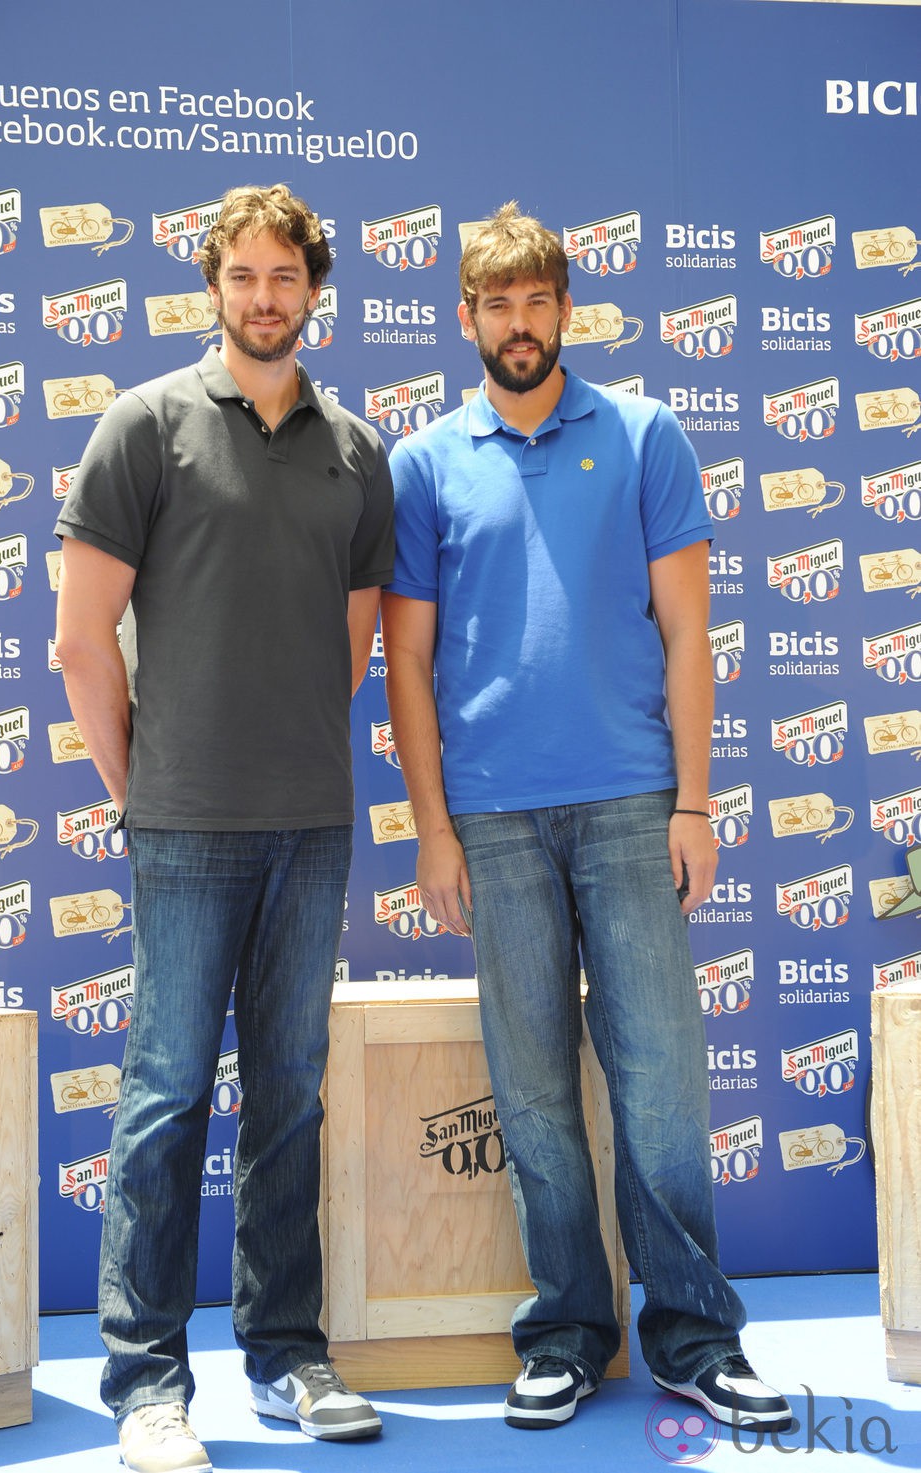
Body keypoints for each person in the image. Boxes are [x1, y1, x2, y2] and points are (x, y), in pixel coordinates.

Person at [381, 203, 791, 1434]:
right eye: (495, 305)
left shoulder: (644, 434)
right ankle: (564, 1328)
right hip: (493, 821)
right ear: (465, 320)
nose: (518, 323)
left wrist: (698, 799)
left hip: (629, 807)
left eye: (536, 301)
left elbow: (686, 633)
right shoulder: (422, 463)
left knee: (659, 1081)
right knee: (532, 1093)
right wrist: (431, 827)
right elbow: (403, 665)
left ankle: (692, 1336)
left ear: (565, 310)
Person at [55, 184, 394, 1473]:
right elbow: (83, 645)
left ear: (314, 290)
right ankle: (146, 1381)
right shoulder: (142, 427)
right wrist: (141, 794)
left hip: (312, 824)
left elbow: (350, 647)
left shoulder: (355, 451)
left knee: (292, 1098)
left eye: (285, 277)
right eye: (243, 276)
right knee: (163, 1099)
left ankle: (290, 1351)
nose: (265, 297)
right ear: (214, 285)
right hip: (183, 830)